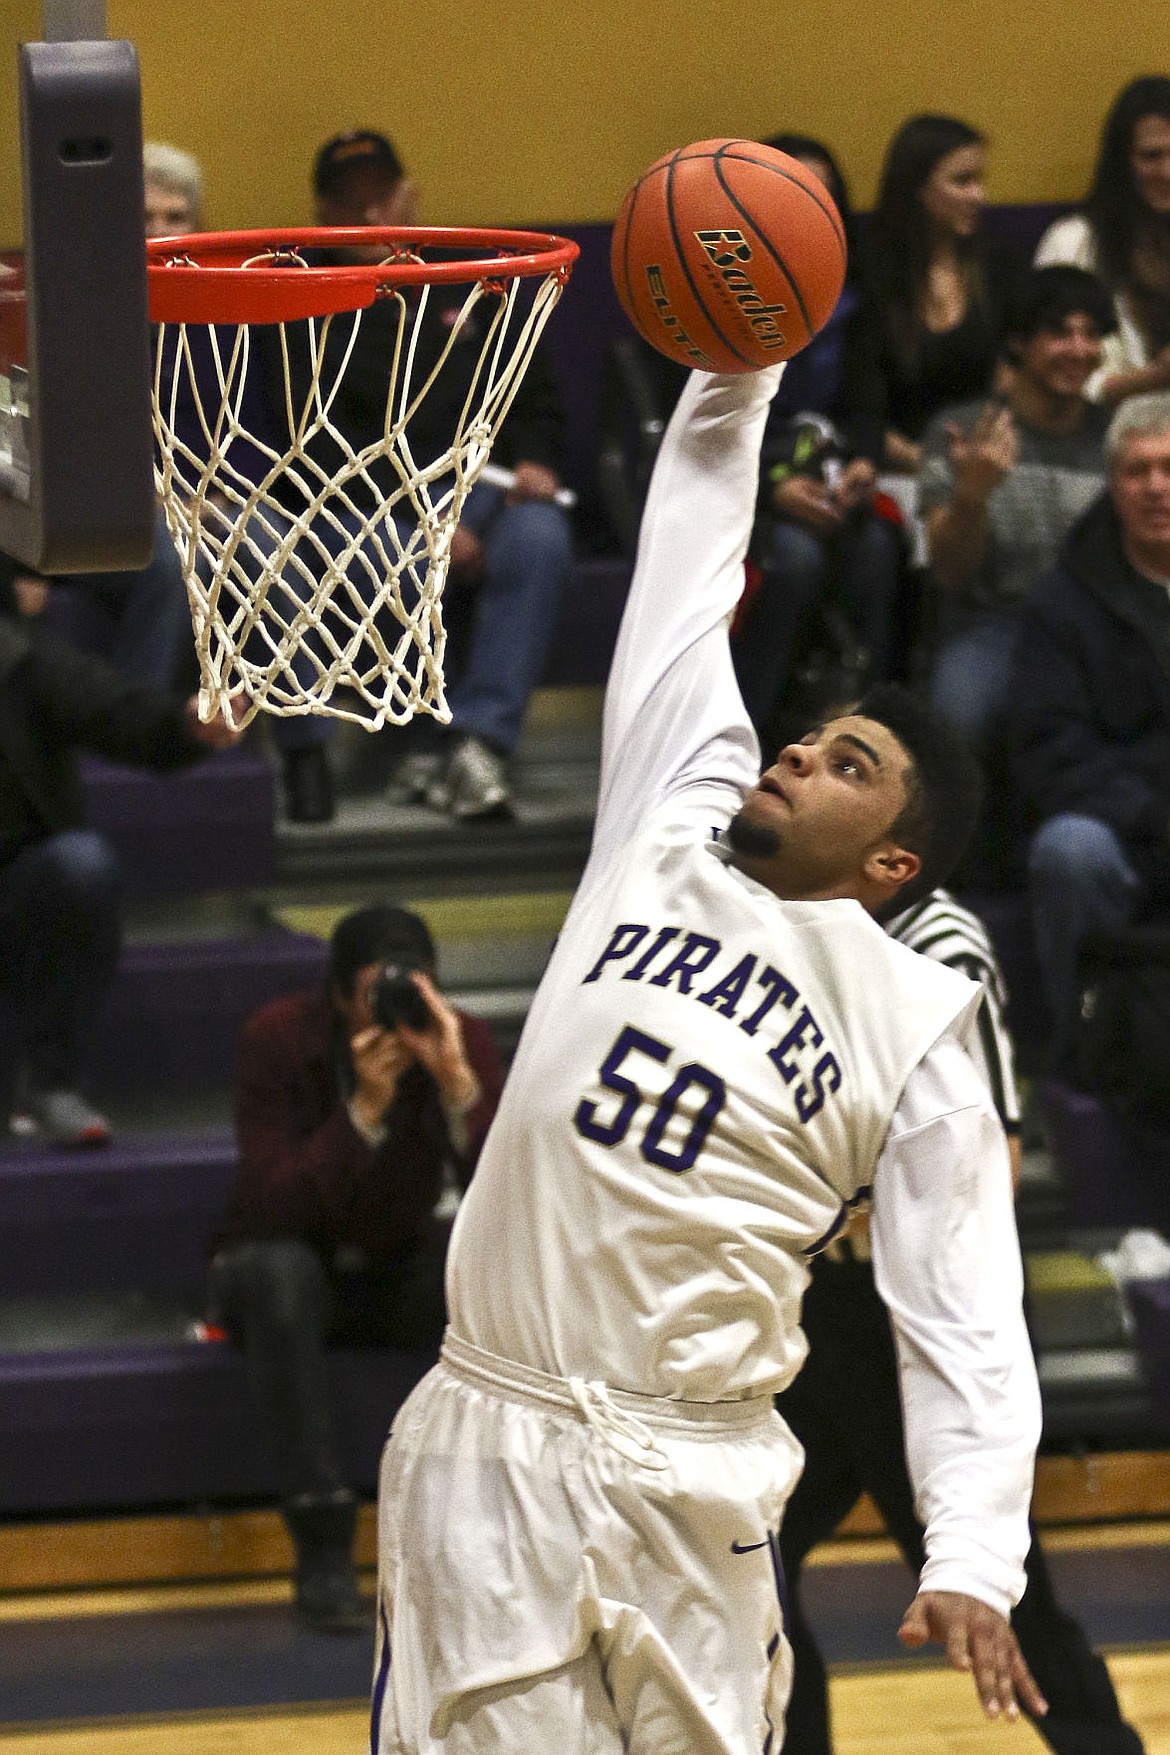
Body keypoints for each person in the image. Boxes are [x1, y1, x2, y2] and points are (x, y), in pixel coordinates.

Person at [370, 365, 1047, 1753]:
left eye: (845, 762)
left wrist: (972, 1546)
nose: (797, 753)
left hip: (701, 1466)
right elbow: (686, 555)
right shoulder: (662, 827)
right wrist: (740, 363)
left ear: (890, 860)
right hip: (494, 1431)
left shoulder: (915, 1011)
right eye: (808, 734)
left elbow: (963, 1301)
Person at [777, 885, 1145, 1755]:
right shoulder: (785, 931)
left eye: (846, 762)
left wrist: (827, 1199)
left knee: (994, 1595)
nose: (791, 774)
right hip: (815, 1308)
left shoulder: (938, 946)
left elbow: (995, 1167)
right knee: (748, 1564)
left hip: (910, 1317)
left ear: (892, 849)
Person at [259, 129, 574, 824]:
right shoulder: (301, 306)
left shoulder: (475, 285)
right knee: (399, 551)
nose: (371, 220)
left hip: (489, 491)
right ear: (321, 218)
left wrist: (535, 462)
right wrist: (430, 518)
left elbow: (533, 402)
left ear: (411, 200)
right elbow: (308, 450)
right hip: (369, 504)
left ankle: (477, 742)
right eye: (352, 206)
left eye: (382, 201)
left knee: (542, 538)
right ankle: (427, 745)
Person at [206, 903, 503, 1632]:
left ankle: (483, 1535)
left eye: (415, 988)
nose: (398, 1008)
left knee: (491, 1268)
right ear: (339, 996)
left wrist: (461, 1090)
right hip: (277, 1268)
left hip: (391, 1263)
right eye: (378, 991)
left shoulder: (457, 1037)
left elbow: (510, 1201)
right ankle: (321, 1538)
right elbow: (268, 1204)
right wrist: (362, 1114)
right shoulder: (277, 1037)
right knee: (281, 1272)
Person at [0, 560, 237, 1146]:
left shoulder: (22, 664)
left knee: (82, 867)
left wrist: (186, 725)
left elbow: (114, 709)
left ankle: (50, 1084)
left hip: (16, 880)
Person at [918, 265, 1116, 880]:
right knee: (956, 720)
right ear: (1018, 344)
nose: (1078, 350)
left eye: (1091, 334)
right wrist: (973, 495)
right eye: (1060, 333)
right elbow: (948, 574)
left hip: (1101, 627)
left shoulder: (1120, 439)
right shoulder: (964, 428)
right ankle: (947, 890)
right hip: (994, 621)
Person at [731, 136, 907, 747]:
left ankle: (862, 731)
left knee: (879, 547)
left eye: (825, 191)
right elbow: (704, 431)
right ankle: (741, 735)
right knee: (796, 560)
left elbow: (866, 399)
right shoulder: (718, 290)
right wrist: (773, 489)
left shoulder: (850, 294)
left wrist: (863, 461)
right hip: (747, 493)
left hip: (826, 481)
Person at [1012, 391, 1170, 1070]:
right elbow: (1049, 747)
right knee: (1068, 852)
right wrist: (1151, 815)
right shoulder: (1063, 598)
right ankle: (1085, 1067)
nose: (1157, 487)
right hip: (1124, 825)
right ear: (1112, 484)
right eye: (1138, 471)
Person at [1036, 76, 1170, 408]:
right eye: (1152, 156)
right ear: (1121, 163)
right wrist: (1152, 379)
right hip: (1106, 439)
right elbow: (1045, 371)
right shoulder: (1073, 244)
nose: (1168, 171)